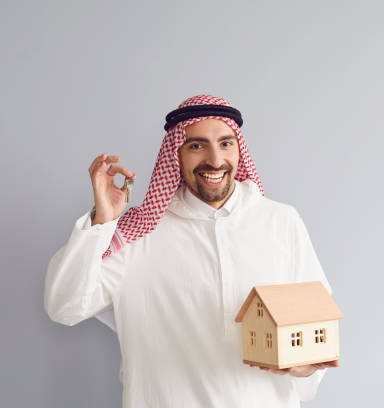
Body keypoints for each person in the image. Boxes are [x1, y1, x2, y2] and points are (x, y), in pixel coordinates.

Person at [44, 94, 339, 407]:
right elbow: (64, 306)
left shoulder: (281, 222)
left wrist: (307, 368)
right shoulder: (138, 233)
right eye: (197, 146)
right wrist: (101, 223)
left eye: (226, 143)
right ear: (176, 155)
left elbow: (316, 325)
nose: (215, 159)